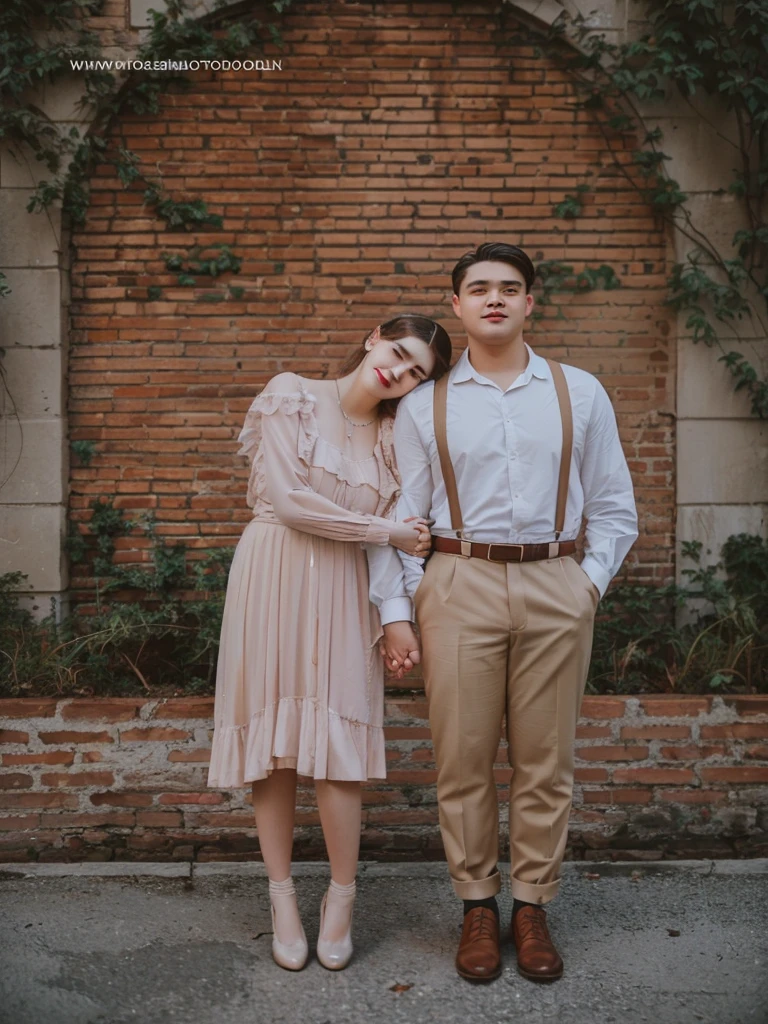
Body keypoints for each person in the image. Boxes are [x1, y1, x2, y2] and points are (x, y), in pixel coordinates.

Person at [367, 243, 638, 983]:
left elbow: (614, 505)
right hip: (459, 582)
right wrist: (403, 603)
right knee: (462, 760)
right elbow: (403, 515)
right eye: (479, 289)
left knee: (545, 763)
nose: (494, 299)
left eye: (509, 289)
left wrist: (587, 583)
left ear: (530, 303)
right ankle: (477, 907)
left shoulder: (579, 392)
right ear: (456, 305)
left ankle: (533, 905)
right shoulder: (424, 403)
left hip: (556, 579)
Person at [207, 314, 451, 972]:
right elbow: (289, 501)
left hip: (346, 587)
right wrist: (388, 531)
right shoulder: (291, 393)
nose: (397, 371)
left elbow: (412, 521)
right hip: (272, 571)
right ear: (375, 337)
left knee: (339, 745)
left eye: (415, 371)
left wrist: (396, 604)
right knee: (277, 744)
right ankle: (283, 898)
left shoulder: (396, 437)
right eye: (398, 353)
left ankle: (341, 897)